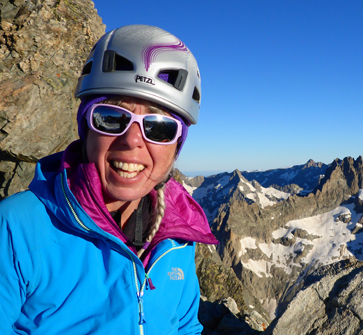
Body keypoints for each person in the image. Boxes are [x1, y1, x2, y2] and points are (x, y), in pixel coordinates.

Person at [0, 25, 218, 334]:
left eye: (159, 127)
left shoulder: (178, 234)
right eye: (111, 118)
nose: (132, 141)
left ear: (176, 147)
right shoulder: (18, 227)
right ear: (86, 129)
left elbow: (184, 326)